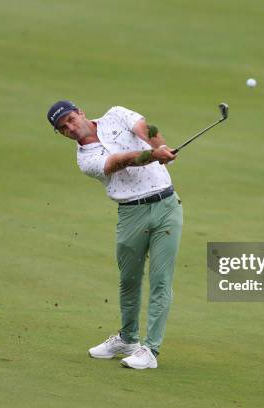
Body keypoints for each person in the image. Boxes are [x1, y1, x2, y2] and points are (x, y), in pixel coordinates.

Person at [47, 100, 183, 370]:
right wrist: (153, 156)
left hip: (167, 206)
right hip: (131, 213)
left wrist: (158, 146)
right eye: (63, 128)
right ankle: (128, 339)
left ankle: (150, 350)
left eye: (71, 120)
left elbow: (146, 128)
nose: (71, 128)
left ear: (81, 112)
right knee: (129, 280)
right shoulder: (85, 159)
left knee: (160, 280)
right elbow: (119, 162)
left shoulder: (116, 115)